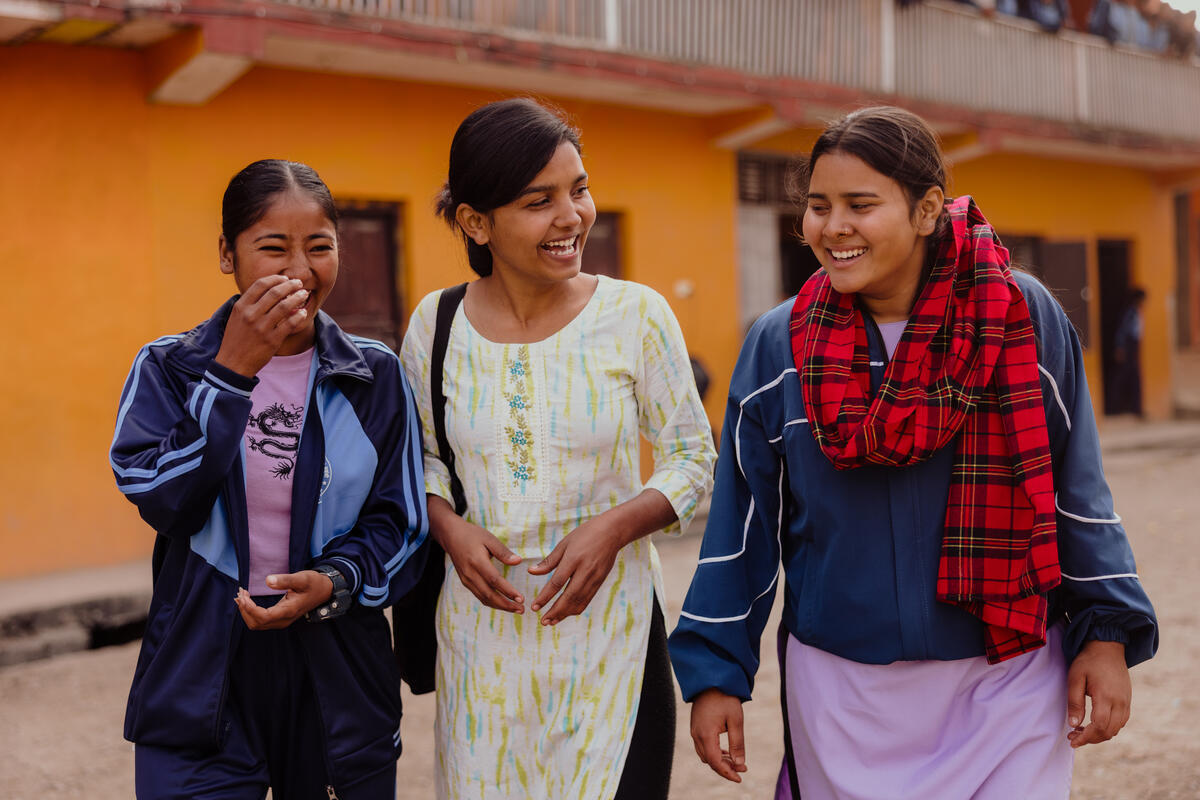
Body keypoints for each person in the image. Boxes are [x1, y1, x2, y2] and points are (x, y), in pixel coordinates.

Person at [668, 106, 1158, 799]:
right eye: (817, 206)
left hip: (1007, 677)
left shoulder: (1022, 319)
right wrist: (717, 668)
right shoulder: (779, 347)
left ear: (927, 209)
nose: (832, 227)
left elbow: (1075, 491)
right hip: (844, 693)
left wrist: (1106, 633)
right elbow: (742, 526)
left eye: (859, 205)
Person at [399, 98, 716, 800]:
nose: (572, 216)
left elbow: (695, 457)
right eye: (539, 201)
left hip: (614, 639)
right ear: (476, 222)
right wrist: (449, 529)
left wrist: (617, 526)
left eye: (578, 189)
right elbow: (417, 459)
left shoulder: (635, 314)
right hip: (480, 653)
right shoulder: (435, 322)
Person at [109, 159, 429, 799]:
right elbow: (163, 499)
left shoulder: (375, 375)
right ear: (228, 254)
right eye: (272, 247)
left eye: (320, 247)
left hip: (336, 666)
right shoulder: (171, 367)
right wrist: (230, 373)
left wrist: (337, 580)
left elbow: (401, 523)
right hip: (201, 664)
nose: (300, 270)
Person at [1111, 286, 1147, 416]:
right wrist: (1120, 348)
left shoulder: (1137, 312)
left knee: (1134, 377)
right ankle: (1114, 407)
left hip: (1134, 346)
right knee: (1123, 377)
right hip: (1128, 346)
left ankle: (1136, 408)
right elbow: (1122, 332)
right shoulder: (1130, 313)